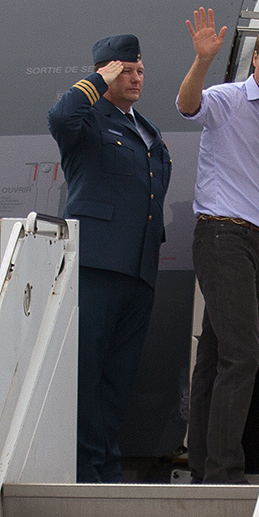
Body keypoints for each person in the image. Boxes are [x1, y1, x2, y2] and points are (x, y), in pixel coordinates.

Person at [176, 8, 259, 484]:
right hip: (221, 236)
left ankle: (203, 466)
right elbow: (187, 105)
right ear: (255, 60)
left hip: (255, 244)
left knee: (215, 355)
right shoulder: (229, 99)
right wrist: (202, 61)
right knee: (243, 355)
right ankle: (224, 471)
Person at [48, 34, 172, 483]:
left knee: (118, 379)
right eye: (125, 70)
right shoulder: (87, 120)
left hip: (139, 270)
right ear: (106, 73)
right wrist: (96, 81)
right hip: (96, 265)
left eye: (139, 70)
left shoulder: (148, 129)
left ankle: (106, 467)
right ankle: (84, 471)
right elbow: (61, 115)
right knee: (86, 373)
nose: (135, 77)